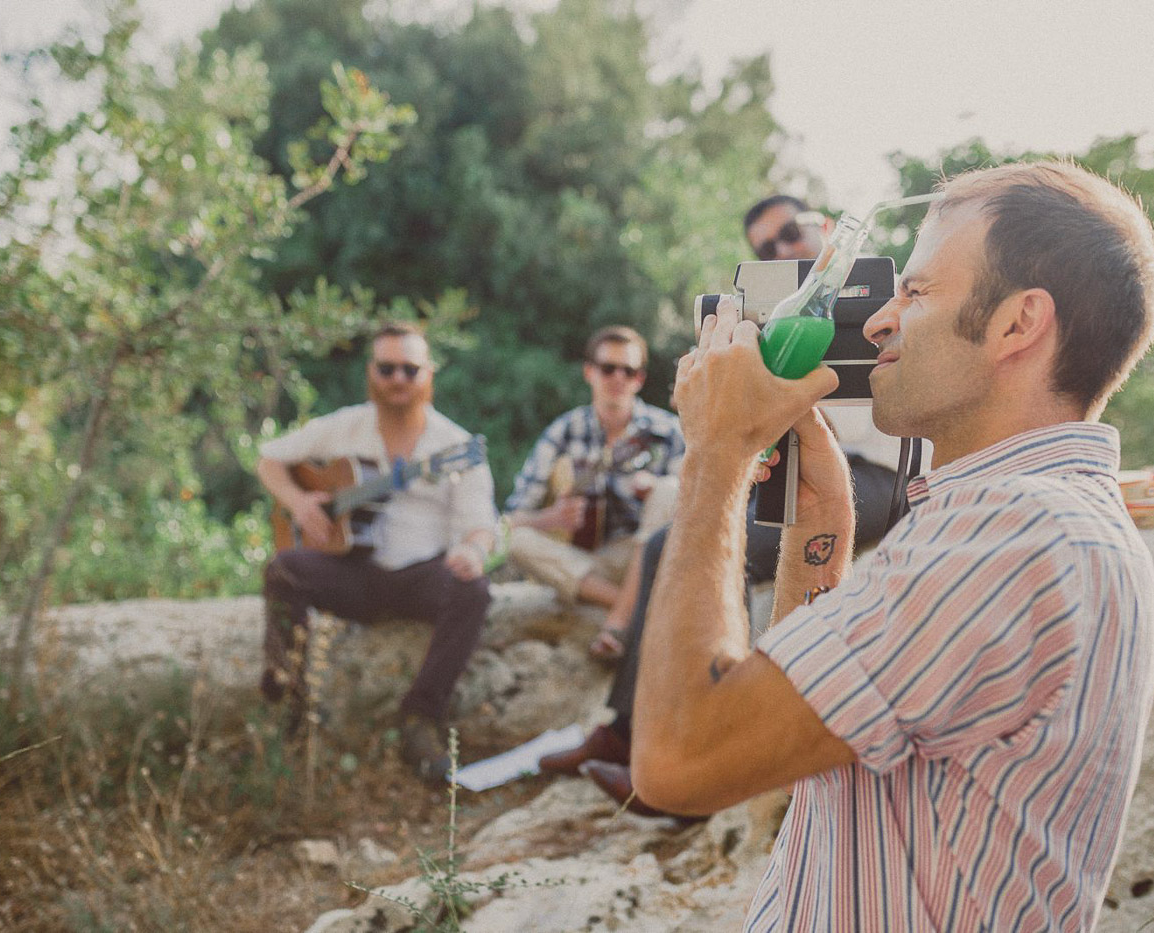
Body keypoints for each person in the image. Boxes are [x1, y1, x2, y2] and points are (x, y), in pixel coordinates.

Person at [633, 162, 1154, 930]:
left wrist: (716, 454)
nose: (879, 321)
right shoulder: (1040, 525)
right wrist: (823, 531)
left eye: (914, 293)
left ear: (1018, 323)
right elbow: (792, 731)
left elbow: (678, 758)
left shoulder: (1009, 539)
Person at [539, 196, 907, 814]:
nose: (781, 251)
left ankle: (685, 766)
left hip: (878, 473)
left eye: (789, 234)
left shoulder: (888, 296)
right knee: (667, 544)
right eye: (764, 249)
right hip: (807, 457)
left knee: (708, 548)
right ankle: (632, 732)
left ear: (822, 228)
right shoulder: (779, 310)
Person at [257, 322, 498, 780]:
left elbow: (482, 525)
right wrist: (301, 504)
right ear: (372, 372)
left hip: (421, 576)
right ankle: (288, 709)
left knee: (475, 592)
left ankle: (419, 718)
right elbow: (269, 460)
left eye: (410, 369)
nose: (398, 380)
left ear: (429, 374)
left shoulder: (455, 446)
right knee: (284, 568)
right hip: (352, 572)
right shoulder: (345, 426)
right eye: (387, 368)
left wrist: (472, 551)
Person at [504, 326, 685, 655]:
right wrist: (552, 517)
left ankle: (617, 619)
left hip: (649, 557)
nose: (618, 378)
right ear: (589, 372)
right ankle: (630, 606)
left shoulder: (666, 432)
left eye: (628, 371)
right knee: (516, 541)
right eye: (608, 368)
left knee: (670, 489)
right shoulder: (563, 431)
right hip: (588, 563)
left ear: (640, 380)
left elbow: (699, 508)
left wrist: (657, 494)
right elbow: (510, 518)